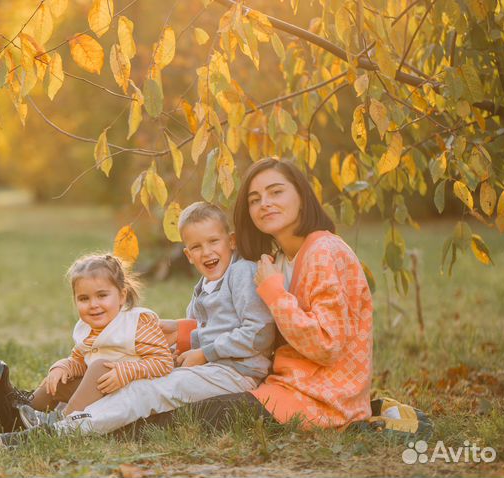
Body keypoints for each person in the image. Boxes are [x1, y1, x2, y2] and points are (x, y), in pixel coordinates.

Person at [3, 202, 276, 439]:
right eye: (196, 246)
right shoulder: (204, 286)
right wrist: (167, 348)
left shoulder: (241, 272)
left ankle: (64, 428)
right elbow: (200, 332)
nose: (206, 252)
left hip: (237, 373)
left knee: (147, 393)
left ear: (231, 241)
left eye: (213, 242)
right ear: (188, 255)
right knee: (134, 379)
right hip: (211, 368)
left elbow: (258, 333)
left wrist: (205, 353)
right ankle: (42, 414)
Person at [159, 157, 374, 430]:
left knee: (197, 415)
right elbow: (251, 324)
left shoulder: (325, 251)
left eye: (276, 192)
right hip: (282, 384)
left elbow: (326, 346)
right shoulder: (278, 260)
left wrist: (273, 292)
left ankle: (109, 428)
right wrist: (183, 332)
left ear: (301, 196)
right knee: (182, 394)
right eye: (255, 199)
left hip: (323, 397)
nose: (265, 203)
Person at [0, 253, 174, 447]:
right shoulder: (87, 328)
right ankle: (19, 412)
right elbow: (80, 361)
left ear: (122, 296)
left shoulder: (136, 324)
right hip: (98, 390)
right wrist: (63, 367)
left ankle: (61, 422)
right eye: (83, 298)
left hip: (128, 391)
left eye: (102, 295)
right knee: (61, 380)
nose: (93, 305)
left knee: (99, 367)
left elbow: (164, 362)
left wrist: (126, 371)